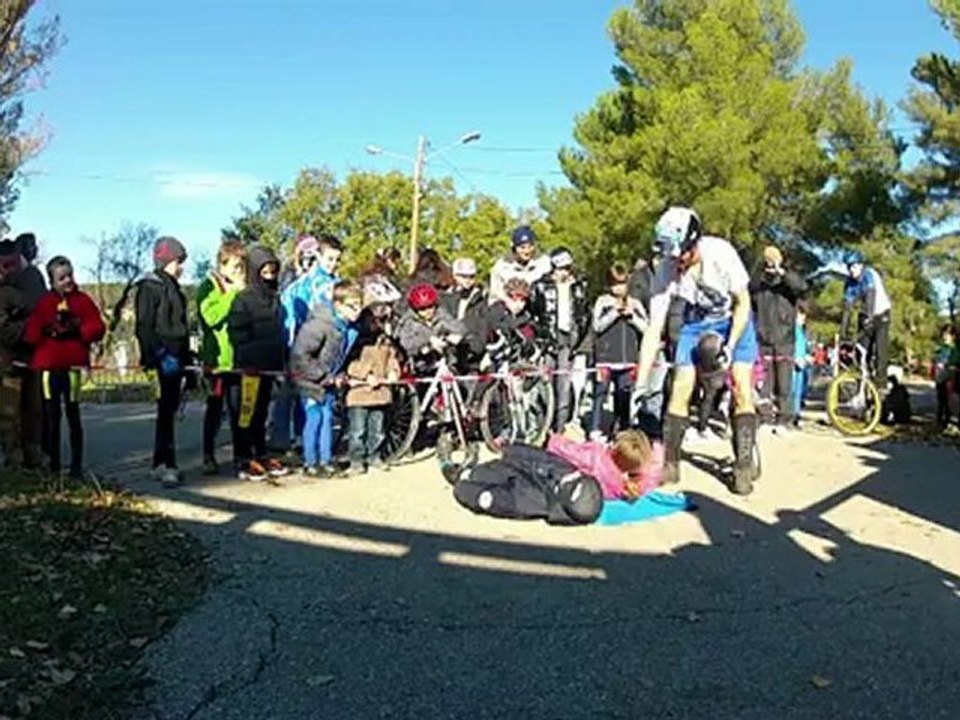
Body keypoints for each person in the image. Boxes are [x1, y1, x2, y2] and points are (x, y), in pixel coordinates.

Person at [634, 206, 761, 495]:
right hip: (697, 322)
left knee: (741, 387)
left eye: (683, 255)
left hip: (735, 321)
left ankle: (742, 465)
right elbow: (654, 328)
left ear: (694, 242)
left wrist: (729, 346)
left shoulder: (721, 253)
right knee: (680, 386)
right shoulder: (666, 267)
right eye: (672, 257)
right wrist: (640, 383)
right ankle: (671, 462)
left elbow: (743, 303)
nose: (678, 262)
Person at [23, 256, 105, 478]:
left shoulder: (82, 301)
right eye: (61, 278)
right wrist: (46, 329)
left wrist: (79, 329)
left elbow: (97, 327)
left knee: (73, 415)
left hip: (73, 367)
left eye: (70, 275)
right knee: (51, 416)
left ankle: (76, 466)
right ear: (52, 281)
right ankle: (54, 465)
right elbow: (31, 334)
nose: (67, 281)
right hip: (49, 366)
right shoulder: (45, 303)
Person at [274, 234, 343, 453]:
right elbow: (293, 318)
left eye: (337, 260)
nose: (333, 264)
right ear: (318, 257)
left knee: (306, 398)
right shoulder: (308, 285)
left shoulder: (333, 283)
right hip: (304, 346)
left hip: (318, 346)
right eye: (330, 259)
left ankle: (301, 440)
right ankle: (288, 441)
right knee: (299, 395)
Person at [227, 245, 290, 482]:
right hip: (249, 369)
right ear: (255, 271)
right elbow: (237, 334)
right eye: (266, 272)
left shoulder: (275, 298)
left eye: (274, 272)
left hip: (269, 366)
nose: (271, 277)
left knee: (262, 413)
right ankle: (243, 459)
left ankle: (261, 453)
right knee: (246, 415)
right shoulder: (243, 300)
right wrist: (249, 358)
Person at [290, 280, 362, 477]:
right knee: (314, 418)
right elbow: (300, 355)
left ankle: (326, 459)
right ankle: (309, 461)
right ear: (338, 305)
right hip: (310, 380)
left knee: (327, 418)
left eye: (359, 304)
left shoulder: (349, 329)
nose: (357, 310)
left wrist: (338, 375)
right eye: (352, 305)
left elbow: (341, 358)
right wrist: (323, 375)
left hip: (329, 380)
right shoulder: (319, 325)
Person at [134, 236, 191, 487]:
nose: (181, 267)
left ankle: (159, 461)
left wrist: (187, 358)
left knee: (169, 410)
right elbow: (144, 325)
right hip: (163, 357)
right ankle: (168, 464)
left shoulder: (174, 288)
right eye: (179, 261)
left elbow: (182, 327)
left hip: (177, 356)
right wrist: (156, 355)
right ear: (168, 260)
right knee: (166, 412)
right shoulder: (150, 287)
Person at [451, 442, 603, 526]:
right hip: (512, 466)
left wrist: (462, 486)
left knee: (470, 474)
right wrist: (508, 449)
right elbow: (542, 457)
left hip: (494, 477)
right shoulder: (567, 471)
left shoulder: (532, 502)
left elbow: (493, 500)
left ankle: (458, 470)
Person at [197, 240, 247, 475]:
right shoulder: (208, 287)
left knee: (238, 410)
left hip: (238, 360)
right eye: (235, 267)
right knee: (214, 410)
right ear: (222, 265)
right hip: (216, 362)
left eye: (241, 267)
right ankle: (208, 454)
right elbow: (211, 317)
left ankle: (240, 456)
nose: (239, 272)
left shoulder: (242, 286)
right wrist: (232, 295)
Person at [531, 247, 590, 432]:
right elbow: (534, 313)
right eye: (560, 268)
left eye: (567, 268)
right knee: (543, 385)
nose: (564, 273)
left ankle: (560, 430)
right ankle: (542, 426)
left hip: (568, 340)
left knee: (563, 387)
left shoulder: (579, 286)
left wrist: (580, 342)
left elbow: (584, 314)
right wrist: (539, 336)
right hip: (547, 340)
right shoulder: (540, 286)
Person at [750, 245, 807, 427]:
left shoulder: (788, 282)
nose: (770, 264)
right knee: (764, 384)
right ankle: (765, 418)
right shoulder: (759, 283)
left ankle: (784, 419)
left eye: (773, 259)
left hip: (785, 339)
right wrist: (761, 269)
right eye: (767, 260)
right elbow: (749, 287)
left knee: (784, 384)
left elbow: (801, 288)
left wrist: (781, 272)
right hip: (763, 338)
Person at [591, 263, 648, 439]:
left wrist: (633, 317)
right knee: (600, 394)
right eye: (615, 284)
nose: (619, 288)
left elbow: (647, 328)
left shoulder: (636, 303)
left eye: (622, 284)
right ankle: (595, 429)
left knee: (623, 396)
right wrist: (614, 313)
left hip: (628, 359)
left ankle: (622, 430)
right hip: (605, 359)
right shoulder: (602, 301)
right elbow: (597, 326)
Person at [344, 303, 402, 474]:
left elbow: (392, 359)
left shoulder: (385, 341)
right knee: (357, 431)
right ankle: (356, 460)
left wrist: (393, 372)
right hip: (359, 393)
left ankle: (374, 456)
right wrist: (366, 374)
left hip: (381, 393)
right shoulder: (355, 340)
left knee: (378, 430)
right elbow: (349, 363)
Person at [546, 428, 662, 501]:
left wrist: (553, 438)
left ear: (615, 449)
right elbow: (649, 477)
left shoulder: (596, 456)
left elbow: (567, 452)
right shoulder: (620, 486)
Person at [841, 252, 892, 386]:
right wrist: (843, 331)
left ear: (861, 265)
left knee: (880, 350)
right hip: (865, 314)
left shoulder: (870, 275)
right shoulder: (850, 282)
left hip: (881, 314)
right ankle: (862, 383)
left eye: (854, 266)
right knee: (861, 351)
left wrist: (869, 318)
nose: (852, 270)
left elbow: (871, 298)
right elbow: (847, 308)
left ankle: (881, 383)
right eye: (849, 267)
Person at [396, 283, 467, 371]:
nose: (427, 311)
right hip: (423, 366)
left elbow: (458, 327)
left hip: (447, 363)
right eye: (422, 309)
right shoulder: (409, 322)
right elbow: (406, 343)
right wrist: (428, 342)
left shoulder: (441, 315)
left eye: (430, 307)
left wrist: (454, 335)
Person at [439, 257, 489, 369]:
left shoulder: (482, 302)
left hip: (471, 362)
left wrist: (464, 341)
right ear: (454, 276)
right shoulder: (444, 299)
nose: (467, 280)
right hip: (445, 359)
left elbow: (482, 336)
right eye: (463, 276)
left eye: (471, 277)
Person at [488, 225, 552, 304]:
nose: (527, 251)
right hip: (510, 311)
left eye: (530, 246)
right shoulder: (502, 267)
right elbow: (494, 296)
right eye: (522, 247)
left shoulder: (544, 263)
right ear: (514, 248)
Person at [791, 302, 813, 427]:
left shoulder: (801, 331)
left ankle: (797, 413)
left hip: (802, 364)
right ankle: (791, 415)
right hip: (794, 363)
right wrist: (795, 358)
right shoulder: (792, 330)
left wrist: (806, 356)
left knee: (799, 390)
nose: (803, 318)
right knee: (793, 390)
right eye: (800, 315)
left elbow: (803, 348)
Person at [933, 324, 959, 428]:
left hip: (950, 376)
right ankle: (940, 419)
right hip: (940, 376)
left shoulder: (955, 349)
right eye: (944, 334)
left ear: (953, 336)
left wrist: (949, 366)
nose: (944, 336)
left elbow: (955, 363)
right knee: (941, 399)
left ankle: (947, 419)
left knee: (949, 399)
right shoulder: (941, 349)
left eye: (947, 334)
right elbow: (937, 359)